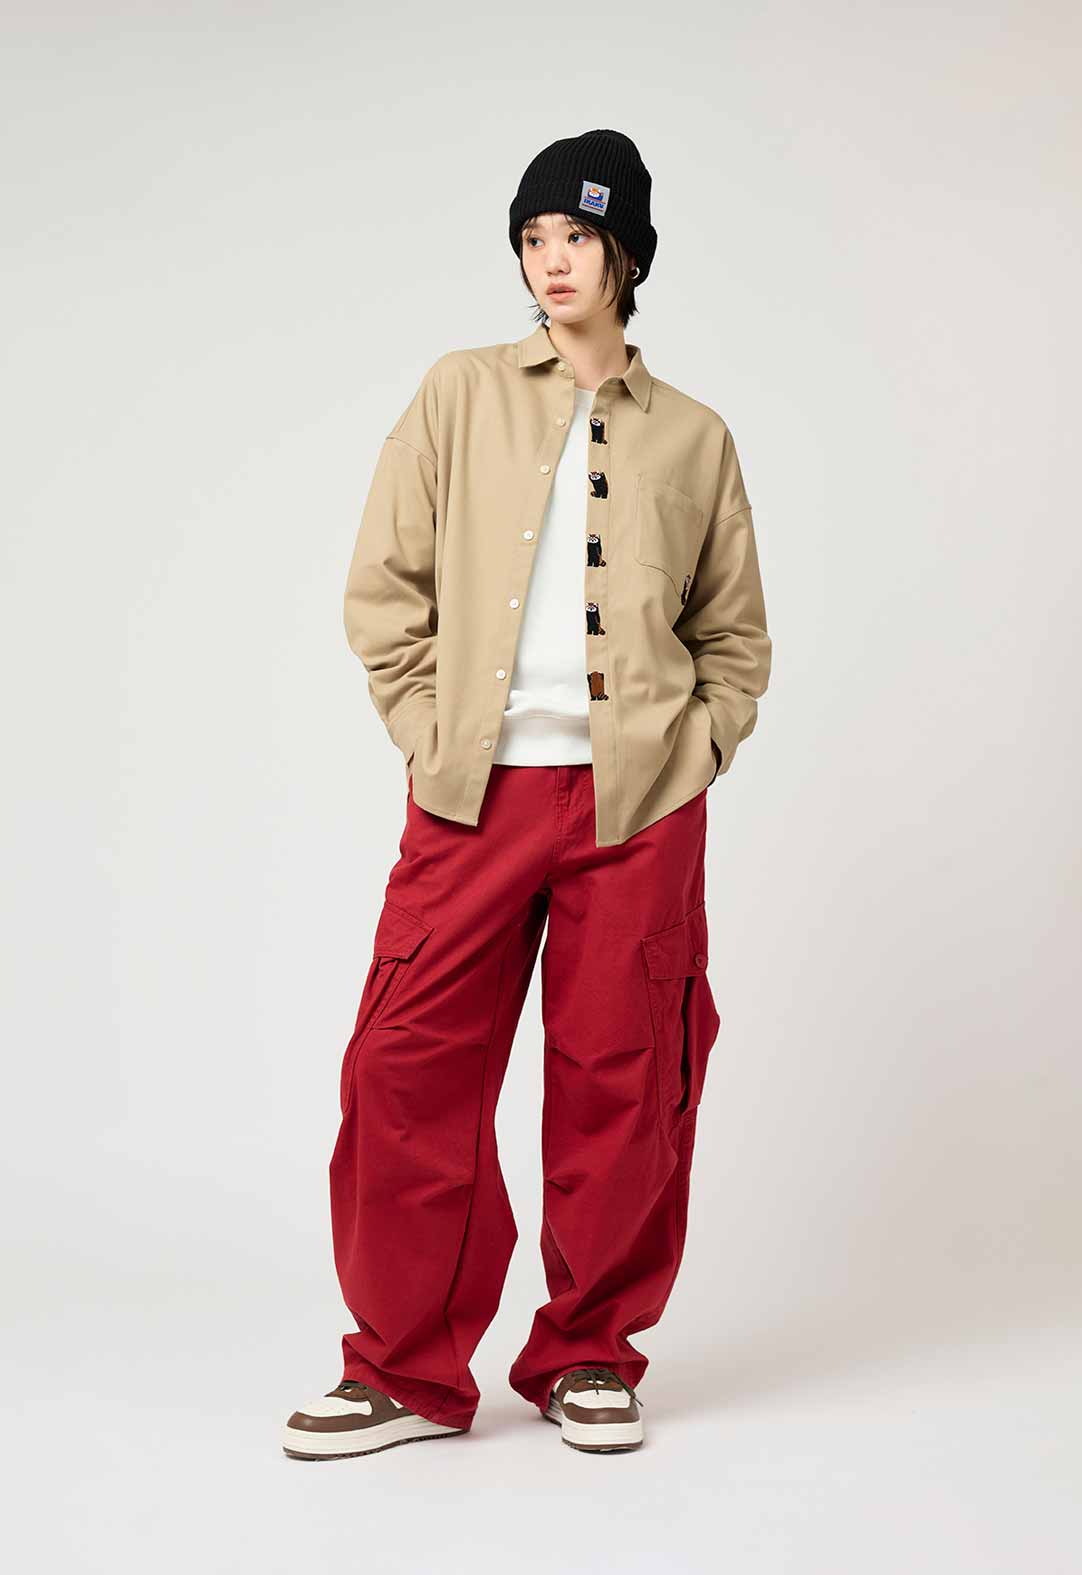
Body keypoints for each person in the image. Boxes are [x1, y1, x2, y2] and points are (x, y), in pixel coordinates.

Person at [282, 128, 771, 1460]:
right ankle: (403, 1369)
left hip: (637, 806)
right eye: (533, 239)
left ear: (627, 256)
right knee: (406, 1062)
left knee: (626, 1072)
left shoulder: (695, 435)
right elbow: (384, 588)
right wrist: (426, 732)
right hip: (472, 796)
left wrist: (693, 752)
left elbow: (733, 634)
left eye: (578, 237)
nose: (552, 262)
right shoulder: (459, 392)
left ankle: (588, 1353)